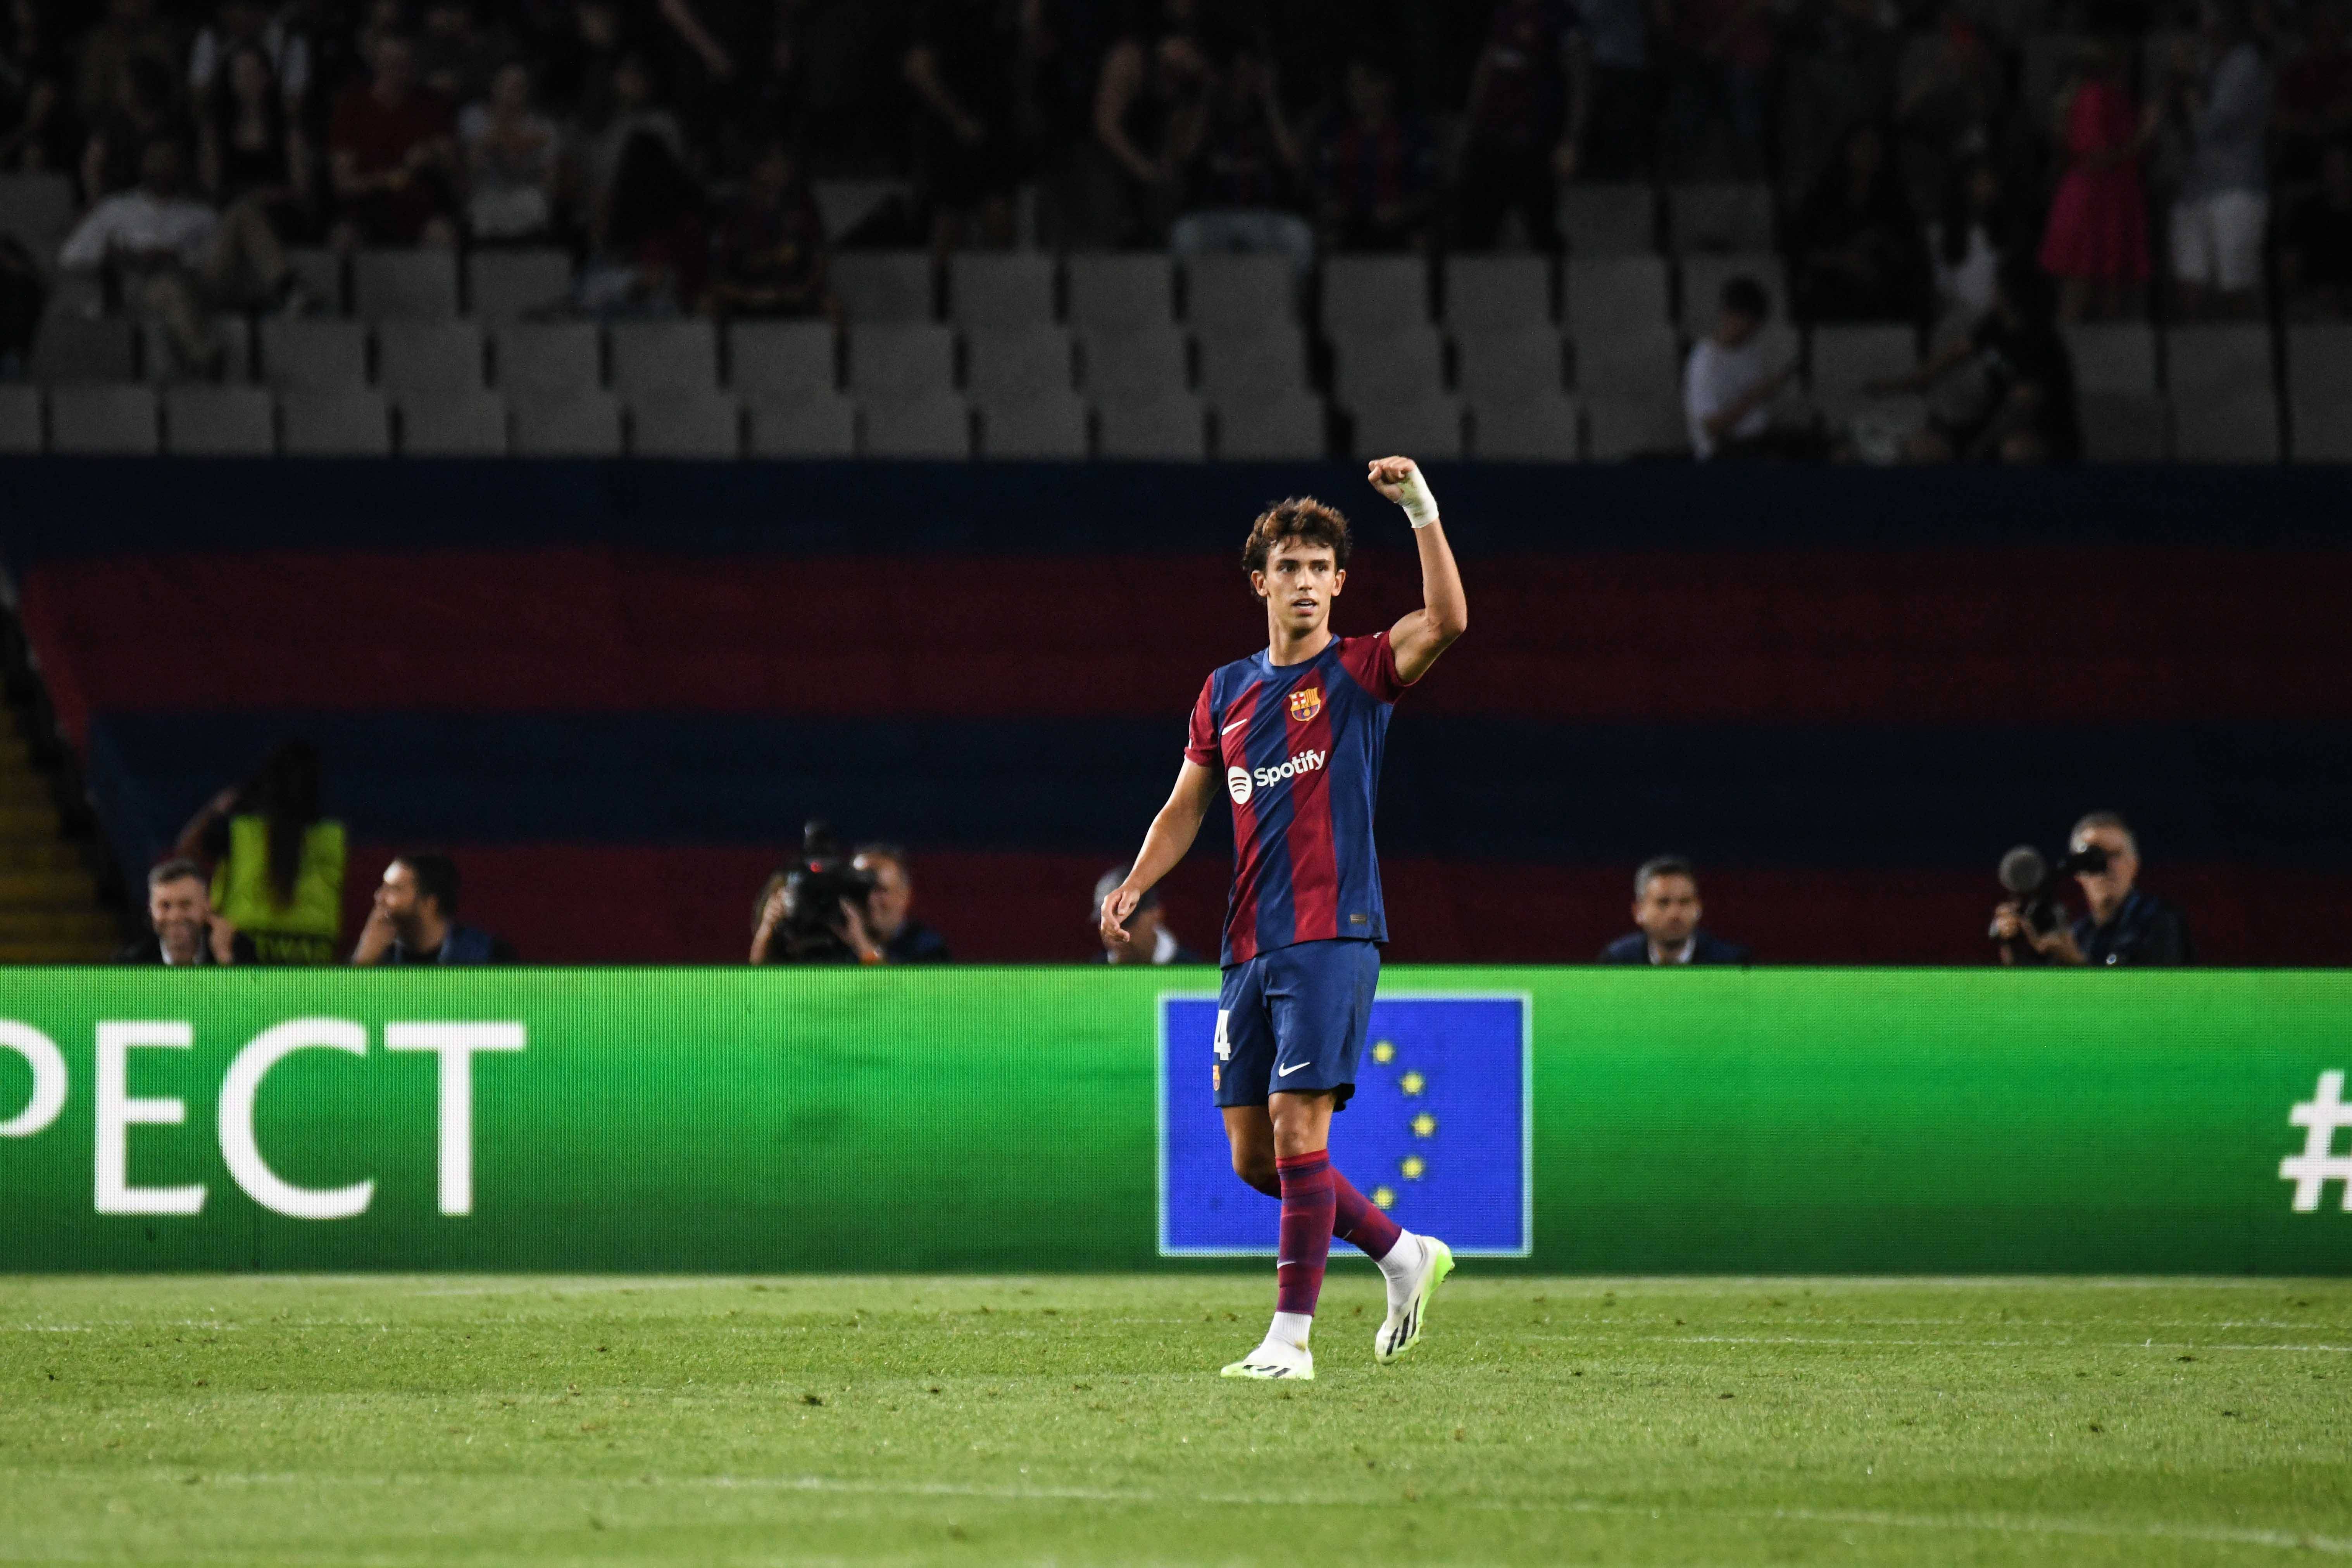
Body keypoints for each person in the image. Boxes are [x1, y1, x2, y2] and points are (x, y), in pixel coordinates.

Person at [1099, 455, 1468, 1382]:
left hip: (1332, 930)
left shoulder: (1358, 670)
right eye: (1286, 565)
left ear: (1339, 582)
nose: (1302, 581)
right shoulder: (1223, 690)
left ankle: (1289, 1337)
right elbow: (1186, 803)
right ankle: (1400, 1252)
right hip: (1246, 944)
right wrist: (1137, 880)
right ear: (1258, 579)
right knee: (1253, 1156)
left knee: (1300, 1128)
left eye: (1318, 567)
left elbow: (1448, 622)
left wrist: (1418, 507)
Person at [59, 138, 306, 376]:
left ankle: (288, 289)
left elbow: (212, 257)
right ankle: (207, 360)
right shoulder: (116, 209)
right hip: (141, 285)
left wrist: (178, 257)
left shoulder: (199, 213)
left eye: (168, 161)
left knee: (242, 211)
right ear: (143, 165)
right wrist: (124, 257)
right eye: (154, 161)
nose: (161, 167)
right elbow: (70, 257)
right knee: (167, 287)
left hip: (197, 280)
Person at [1872, 259, 2080, 463]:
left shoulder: (2040, 344)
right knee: (1923, 448)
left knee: (2016, 451)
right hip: (1989, 425)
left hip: (2038, 431)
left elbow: (2021, 408)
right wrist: (1897, 385)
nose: (1992, 290)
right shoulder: (1994, 326)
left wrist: (1982, 444)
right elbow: (1951, 357)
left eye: (1997, 285)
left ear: (2011, 293)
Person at [172, 739, 345, 965]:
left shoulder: (237, 830)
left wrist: (215, 808)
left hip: (243, 961)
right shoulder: (333, 837)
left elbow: (185, 853)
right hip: (311, 963)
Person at [2166, 3, 2274, 317]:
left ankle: (2247, 361)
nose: (2206, 23)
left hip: (2235, 189)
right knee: (2189, 281)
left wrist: (2187, 84)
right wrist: (2178, 79)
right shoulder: (2208, 63)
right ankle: (2194, 360)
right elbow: (2179, 122)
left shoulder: (2245, 64)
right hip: (2196, 189)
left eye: (2213, 15)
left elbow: (2212, 124)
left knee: (2235, 285)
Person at [1453, 0, 1586, 252]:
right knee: (1474, 232)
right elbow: (1485, 70)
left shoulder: (1560, 16)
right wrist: (1470, 126)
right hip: (1491, 141)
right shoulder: (1503, 12)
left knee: (1542, 233)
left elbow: (1580, 81)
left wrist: (1571, 140)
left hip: (1535, 144)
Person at [2036, 43, 2151, 324]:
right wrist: (2143, 136)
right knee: (2080, 291)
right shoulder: (2093, 97)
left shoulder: (2111, 97)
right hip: (2092, 203)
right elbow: (2095, 158)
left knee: (2108, 296)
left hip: (2109, 200)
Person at [1991, 811, 2193, 966]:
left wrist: (2077, 963)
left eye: (2115, 855)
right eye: (2093, 859)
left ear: (2135, 864)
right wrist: (2016, 949)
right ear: (2078, 871)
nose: (2106, 867)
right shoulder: (2080, 934)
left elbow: (2150, 1001)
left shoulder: (2162, 922)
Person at [327, 31, 459, 248]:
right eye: (390, 63)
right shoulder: (351, 107)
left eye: (403, 63)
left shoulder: (431, 105)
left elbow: (455, 173)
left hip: (421, 211)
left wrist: (436, 157)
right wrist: (390, 179)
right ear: (376, 63)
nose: (397, 71)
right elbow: (343, 183)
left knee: (442, 234)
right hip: (366, 212)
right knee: (343, 238)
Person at [1791, 122, 1930, 324]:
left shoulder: (1895, 200)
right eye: (1862, 147)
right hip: (1831, 290)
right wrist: (1844, 260)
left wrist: (1880, 242)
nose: (1869, 154)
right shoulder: (1821, 197)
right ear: (1847, 149)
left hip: (1885, 292)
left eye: (1875, 147)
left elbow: (1911, 251)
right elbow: (1801, 251)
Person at [1310, 55, 1439, 254]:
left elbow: (1430, 192)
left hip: (1400, 224)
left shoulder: (1413, 132)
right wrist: (1331, 206)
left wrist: (1402, 210)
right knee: (1323, 239)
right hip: (1349, 225)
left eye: (1364, 84)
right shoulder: (1334, 132)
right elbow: (1321, 185)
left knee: (1423, 240)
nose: (1355, 92)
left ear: (1386, 87)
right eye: (1352, 85)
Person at [1683, 275, 1807, 460]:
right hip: (1723, 453)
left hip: (1759, 441)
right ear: (1728, 315)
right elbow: (1712, 427)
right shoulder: (1705, 361)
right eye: (1747, 325)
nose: (1751, 332)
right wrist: (1755, 396)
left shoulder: (1750, 352)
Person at [459, 60, 564, 245]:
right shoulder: (474, 117)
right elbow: (470, 166)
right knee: (481, 211)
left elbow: (551, 175)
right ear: (494, 87)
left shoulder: (543, 124)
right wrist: (514, 140)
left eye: (518, 87)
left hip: (527, 193)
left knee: (536, 205)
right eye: (506, 86)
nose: (512, 93)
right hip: (486, 192)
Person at [351, 852, 517, 965]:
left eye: (395, 890)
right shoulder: (376, 957)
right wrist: (361, 965)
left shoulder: (488, 957)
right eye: (383, 887)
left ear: (430, 903)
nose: (379, 897)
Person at [1598, 855, 1750, 964]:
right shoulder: (1617, 962)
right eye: (1663, 903)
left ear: (1698, 909)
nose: (1675, 914)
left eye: (1685, 902)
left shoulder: (1731, 963)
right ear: (1639, 912)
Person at [117, 858, 253, 965]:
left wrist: (225, 959)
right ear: (151, 910)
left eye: (186, 905)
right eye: (165, 906)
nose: (175, 916)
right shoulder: (131, 964)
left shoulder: (239, 951)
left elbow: (253, 1000)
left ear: (207, 906)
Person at [850, 843, 951, 963]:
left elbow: (895, 983)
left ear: (905, 896)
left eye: (881, 890)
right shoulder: (833, 943)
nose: (870, 901)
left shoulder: (927, 948)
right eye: (862, 890)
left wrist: (866, 950)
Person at [2284, 141, 2352, 315]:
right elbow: (2291, 262)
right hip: (2314, 298)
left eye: (2340, 167)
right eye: (2330, 168)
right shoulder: (2308, 212)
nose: (2335, 174)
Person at [1091, 866, 1204, 964]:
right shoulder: (1094, 975)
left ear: (1157, 914)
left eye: (1127, 921)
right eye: (1106, 923)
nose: (1115, 933)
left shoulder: (1195, 972)